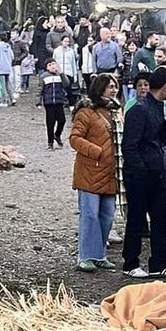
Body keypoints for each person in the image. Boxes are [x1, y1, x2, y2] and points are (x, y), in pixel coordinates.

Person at [121, 66, 166, 279]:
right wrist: (140, 170)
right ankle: (130, 262)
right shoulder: (138, 109)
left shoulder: (159, 107)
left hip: (159, 173)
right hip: (141, 175)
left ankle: (159, 262)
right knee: (136, 220)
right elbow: (129, 146)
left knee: (160, 219)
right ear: (165, 86)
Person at [70, 72, 121, 273]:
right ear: (100, 89)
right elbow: (75, 138)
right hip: (91, 171)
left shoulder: (116, 111)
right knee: (89, 215)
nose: (114, 90)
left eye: (115, 86)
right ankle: (85, 255)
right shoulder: (86, 112)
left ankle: (99, 255)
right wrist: (96, 152)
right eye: (110, 86)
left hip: (110, 172)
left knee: (107, 216)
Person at [38, 59, 71, 149]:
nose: (52, 66)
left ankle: (57, 135)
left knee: (62, 120)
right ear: (46, 67)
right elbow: (40, 90)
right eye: (50, 65)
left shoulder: (60, 76)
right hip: (49, 103)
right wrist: (39, 102)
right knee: (50, 123)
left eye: (53, 64)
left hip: (59, 101)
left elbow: (67, 84)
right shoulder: (44, 77)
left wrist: (62, 74)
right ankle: (50, 142)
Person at [0, 34, 15, 104]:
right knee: (8, 84)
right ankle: (12, 99)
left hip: (0, 68)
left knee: (1, 85)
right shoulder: (8, 46)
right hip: (8, 68)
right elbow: (12, 56)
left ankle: (4, 100)